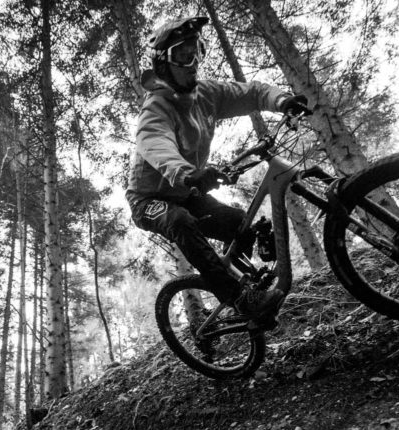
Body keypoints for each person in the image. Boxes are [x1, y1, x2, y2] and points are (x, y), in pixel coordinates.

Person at [127, 15, 310, 316]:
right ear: (162, 64)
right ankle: (240, 300)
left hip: (187, 192)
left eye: (196, 51)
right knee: (181, 223)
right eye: (183, 56)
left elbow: (251, 92)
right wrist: (190, 174)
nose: (193, 62)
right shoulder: (156, 107)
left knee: (241, 224)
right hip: (149, 200)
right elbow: (155, 143)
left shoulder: (207, 94)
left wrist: (282, 101)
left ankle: (248, 276)